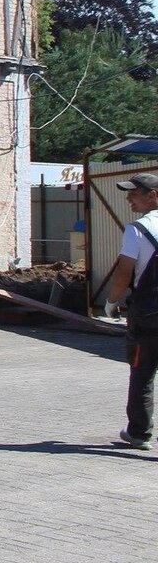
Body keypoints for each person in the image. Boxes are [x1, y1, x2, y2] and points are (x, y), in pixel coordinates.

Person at [102, 171, 158, 450]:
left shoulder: (138, 229)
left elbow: (124, 272)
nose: (128, 198)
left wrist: (112, 302)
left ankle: (139, 433)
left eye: (134, 193)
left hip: (148, 315)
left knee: (142, 373)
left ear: (153, 196)